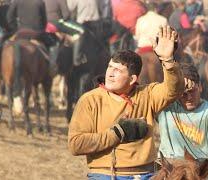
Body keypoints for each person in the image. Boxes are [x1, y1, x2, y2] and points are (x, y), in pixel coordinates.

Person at [68, 25, 184, 180]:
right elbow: (76, 144)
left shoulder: (147, 95)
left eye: (118, 70)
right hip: (105, 174)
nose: (110, 73)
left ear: (132, 79)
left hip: (146, 174)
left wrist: (167, 60)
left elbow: (174, 89)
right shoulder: (90, 100)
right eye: (110, 67)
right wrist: (116, 133)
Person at [157, 63, 208, 164]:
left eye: (192, 91)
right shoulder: (165, 107)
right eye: (184, 94)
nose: (189, 98)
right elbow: (146, 95)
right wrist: (173, 86)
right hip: (166, 170)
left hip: (197, 172)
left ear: (200, 87)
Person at [67, 0, 100, 66]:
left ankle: (76, 59)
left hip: (82, 23)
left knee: (74, 37)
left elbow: (69, 8)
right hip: (96, 22)